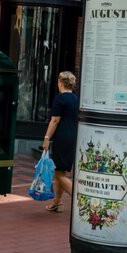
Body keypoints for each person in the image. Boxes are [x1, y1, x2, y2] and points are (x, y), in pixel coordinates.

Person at [40, 71, 78, 213]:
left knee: (59, 175)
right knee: (60, 171)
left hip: (62, 138)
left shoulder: (60, 99)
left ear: (61, 83)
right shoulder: (76, 99)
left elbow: (55, 120)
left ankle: (81, 200)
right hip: (73, 137)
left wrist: (46, 138)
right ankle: (57, 203)